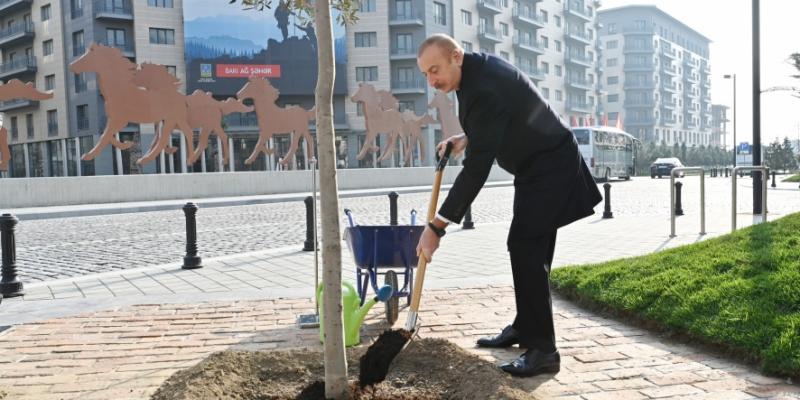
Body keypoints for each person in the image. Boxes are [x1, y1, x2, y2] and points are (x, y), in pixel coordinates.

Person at [415, 34, 602, 377]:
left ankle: (544, 350)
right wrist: (465, 137)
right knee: (529, 250)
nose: (431, 80)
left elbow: (476, 170)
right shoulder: (475, 73)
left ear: (455, 56)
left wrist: (436, 227)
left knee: (525, 247)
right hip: (537, 168)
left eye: (435, 69)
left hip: (551, 167)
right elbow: (504, 115)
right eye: (426, 74)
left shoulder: (482, 85)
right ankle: (526, 327)